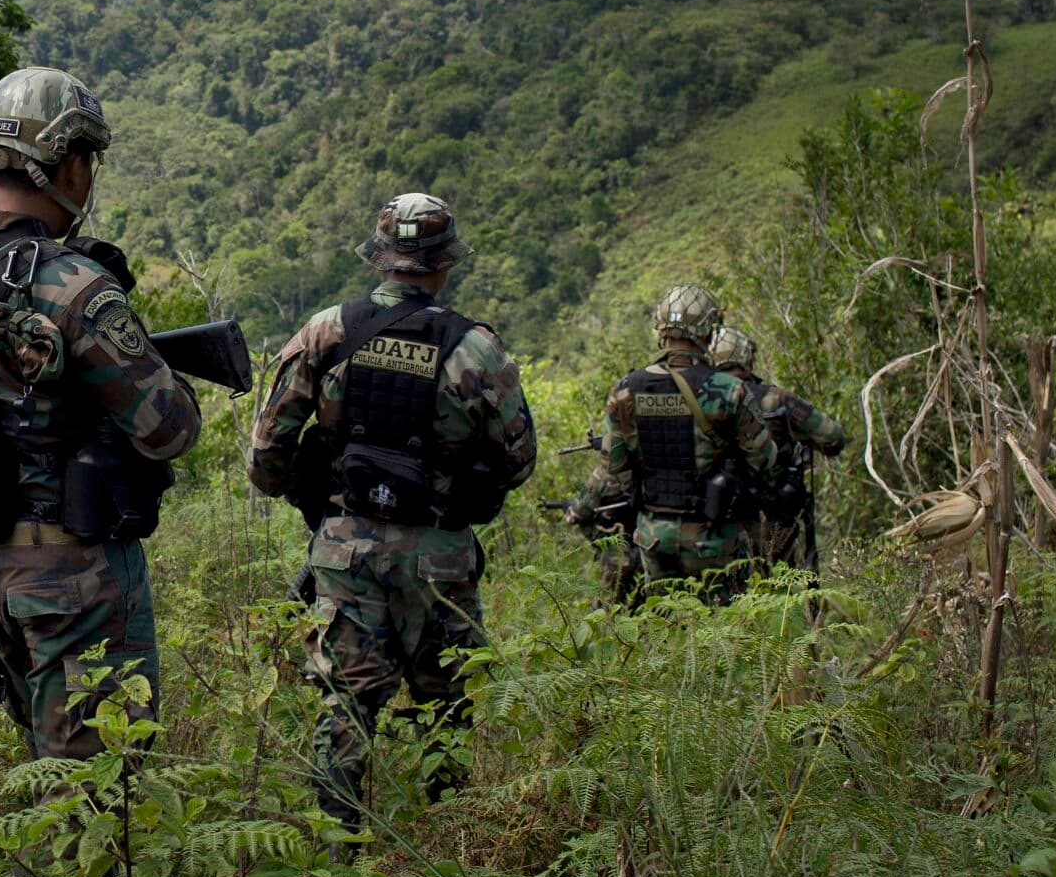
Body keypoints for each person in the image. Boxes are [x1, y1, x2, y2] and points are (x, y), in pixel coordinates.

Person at [0, 67, 201, 760]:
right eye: (89, 159)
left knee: (42, 763)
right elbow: (169, 429)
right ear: (70, 164)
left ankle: (38, 868)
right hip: (73, 572)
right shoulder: (76, 285)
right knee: (95, 784)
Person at [248, 194, 536, 829]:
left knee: (344, 704)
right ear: (443, 266)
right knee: (449, 701)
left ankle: (334, 850)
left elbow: (266, 453)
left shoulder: (326, 331)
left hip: (345, 548)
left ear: (381, 260)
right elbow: (518, 461)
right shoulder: (477, 349)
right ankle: (451, 839)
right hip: (440, 555)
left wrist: (310, 495)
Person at [570, 284, 775, 603]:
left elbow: (613, 467)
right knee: (725, 637)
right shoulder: (730, 391)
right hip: (716, 540)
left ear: (661, 329)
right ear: (709, 332)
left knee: (666, 631)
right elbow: (764, 462)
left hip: (654, 538)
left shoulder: (627, 389)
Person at [707, 325, 847, 571]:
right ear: (748, 359)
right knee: (781, 597)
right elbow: (833, 437)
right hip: (775, 522)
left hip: (719, 526)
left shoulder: (701, 401)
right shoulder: (776, 399)